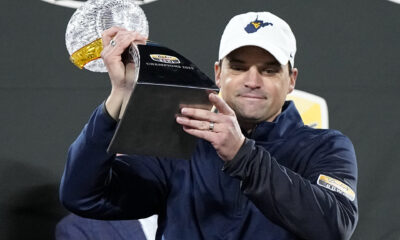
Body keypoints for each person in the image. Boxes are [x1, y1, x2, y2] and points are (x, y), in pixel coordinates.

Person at [60, 11, 358, 239]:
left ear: (291, 80)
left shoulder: (325, 146)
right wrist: (120, 97)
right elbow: (84, 196)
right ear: (218, 73)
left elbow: (335, 226)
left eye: (268, 70)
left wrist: (242, 155)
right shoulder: (180, 140)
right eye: (238, 67)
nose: (252, 81)